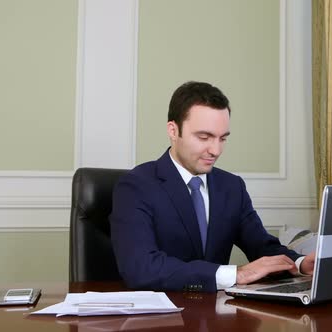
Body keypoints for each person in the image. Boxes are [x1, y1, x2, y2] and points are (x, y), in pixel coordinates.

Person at [110, 81, 315, 292]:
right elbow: (141, 269)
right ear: (173, 130)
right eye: (204, 137)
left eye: (222, 138)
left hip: (217, 314)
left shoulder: (232, 186)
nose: (215, 150)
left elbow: (261, 246)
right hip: (161, 318)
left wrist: (299, 264)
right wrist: (236, 274)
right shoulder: (136, 186)